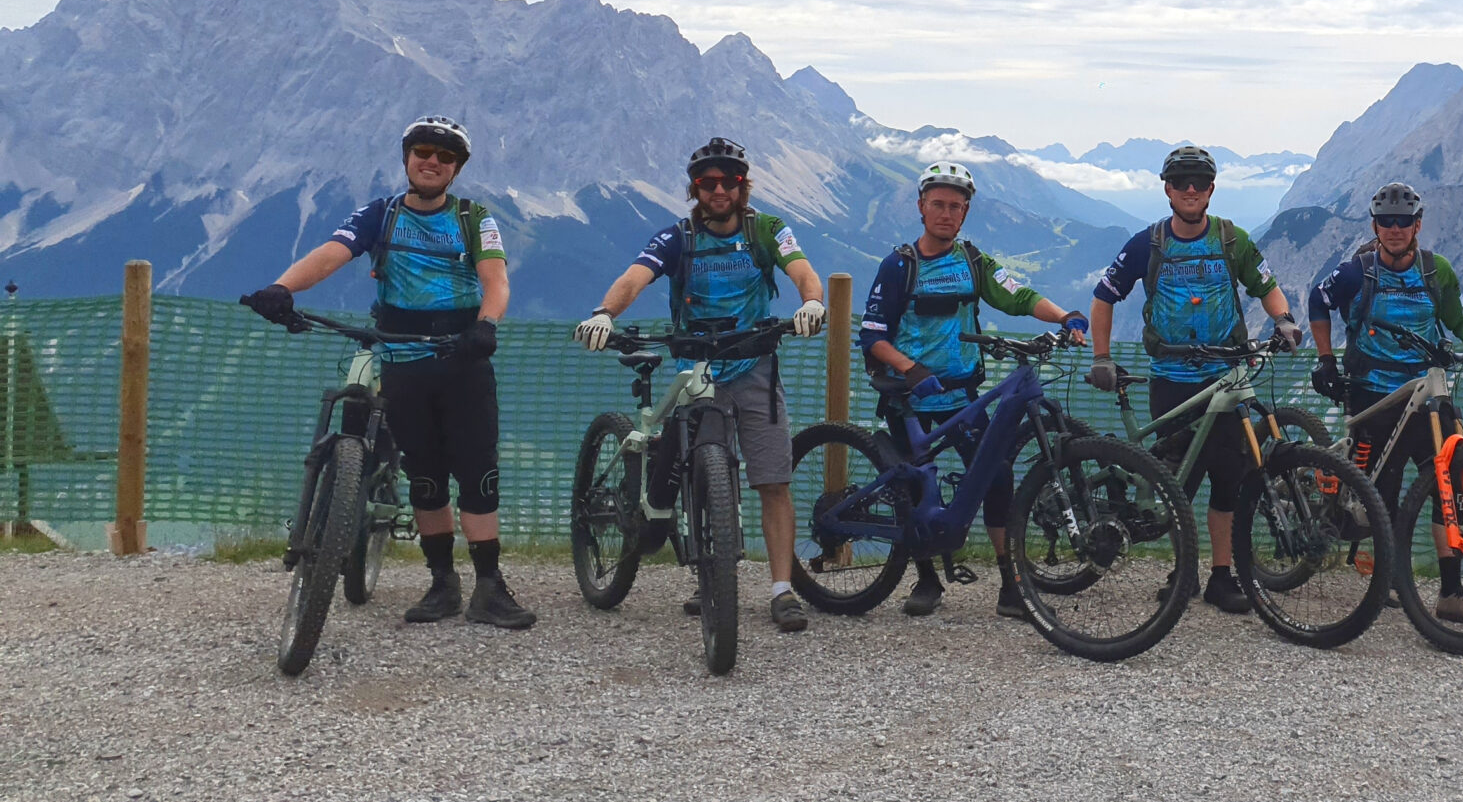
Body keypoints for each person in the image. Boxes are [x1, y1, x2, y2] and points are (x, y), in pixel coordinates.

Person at [244, 116, 535, 630]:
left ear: (456, 169)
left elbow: (496, 279)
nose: (432, 161)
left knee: (476, 471)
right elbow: (332, 254)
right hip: (400, 357)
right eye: (423, 151)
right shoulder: (381, 214)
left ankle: (490, 586)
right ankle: (442, 583)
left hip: (462, 357)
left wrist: (487, 324)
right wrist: (283, 288)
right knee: (423, 473)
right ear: (406, 158)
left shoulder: (474, 218)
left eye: (445, 157)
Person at [575, 138, 830, 633]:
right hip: (697, 370)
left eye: (728, 181)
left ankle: (782, 590)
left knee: (773, 482)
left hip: (753, 364)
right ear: (695, 189)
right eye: (707, 182)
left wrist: (812, 301)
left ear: (742, 186)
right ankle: (710, 573)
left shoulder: (766, 230)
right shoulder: (678, 237)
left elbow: (802, 269)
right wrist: (605, 312)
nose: (718, 189)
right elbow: (636, 276)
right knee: (702, 472)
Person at [860, 162, 1090, 619]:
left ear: (965, 213)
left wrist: (1065, 316)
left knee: (996, 480)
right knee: (913, 488)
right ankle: (926, 580)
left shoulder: (972, 262)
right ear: (921, 208)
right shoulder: (897, 266)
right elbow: (872, 336)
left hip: (962, 397)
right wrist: (910, 369)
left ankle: (1010, 587)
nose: (946, 214)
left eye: (955, 207)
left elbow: (1018, 296)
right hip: (909, 398)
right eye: (938, 205)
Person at [1086, 145, 1303, 614]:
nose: (1189, 189)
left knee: (1230, 479)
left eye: (1199, 182)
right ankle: (1181, 573)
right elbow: (1103, 298)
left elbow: (1266, 287)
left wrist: (1284, 320)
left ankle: (1221, 578)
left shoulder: (1233, 240)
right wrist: (1101, 357)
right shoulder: (1148, 243)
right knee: (1178, 482)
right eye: (1180, 181)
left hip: (1226, 377)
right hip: (1172, 378)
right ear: (1166, 188)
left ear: (1211, 189)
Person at [1304, 181, 1463, 627]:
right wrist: (1325, 360)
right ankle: (1388, 575)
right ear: (1375, 225)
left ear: (1418, 225)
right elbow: (1318, 300)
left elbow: (1458, 315)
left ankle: (1451, 592)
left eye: (1403, 222)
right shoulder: (1357, 271)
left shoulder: (1436, 271)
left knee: (1451, 479)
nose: (1395, 229)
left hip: (1427, 390)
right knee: (1385, 491)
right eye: (1386, 222)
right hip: (1373, 390)